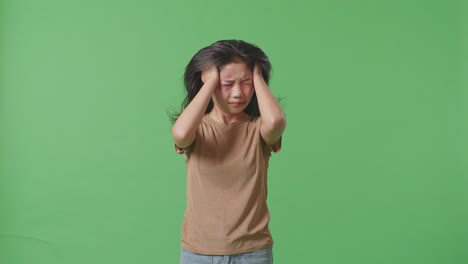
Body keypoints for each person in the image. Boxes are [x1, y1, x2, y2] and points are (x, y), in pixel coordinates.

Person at [171, 40, 286, 264]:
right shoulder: (198, 128)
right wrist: (210, 81)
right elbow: (181, 132)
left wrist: (258, 77)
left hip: (253, 252)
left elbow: (276, 121)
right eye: (227, 83)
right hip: (199, 252)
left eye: (246, 82)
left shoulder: (257, 129)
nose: (238, 93)